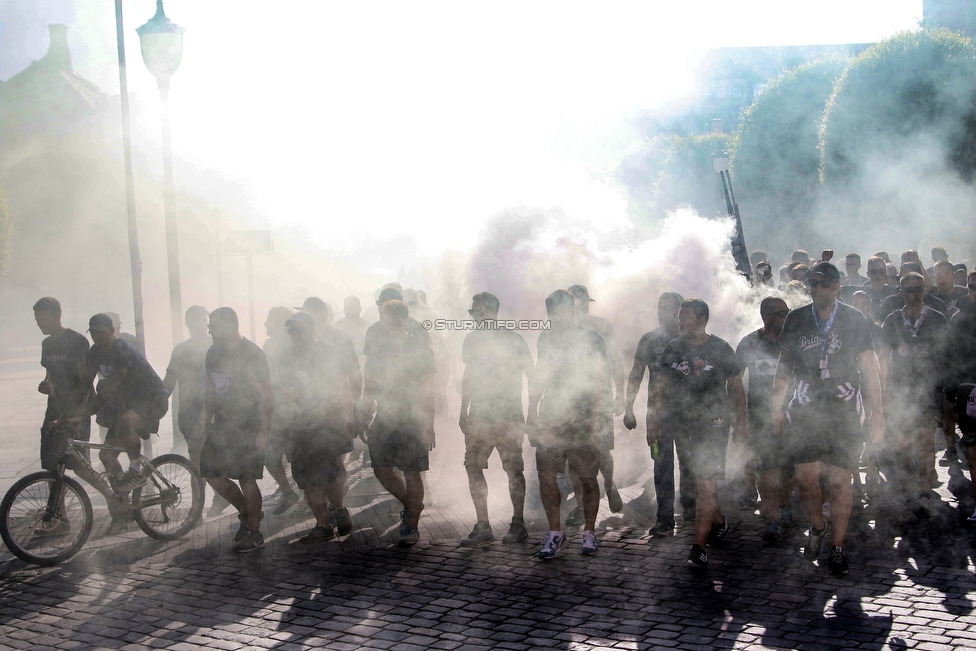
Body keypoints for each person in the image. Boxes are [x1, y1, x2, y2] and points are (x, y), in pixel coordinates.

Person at [771, 261, 885, 576]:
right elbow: (784, 366)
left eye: (823, 284)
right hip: (807, 407)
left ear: (836, 286)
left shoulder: (854, 318)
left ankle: (837, 547)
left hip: (844, 407)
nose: (817, 289)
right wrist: (776, 408)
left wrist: (878, 415)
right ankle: (818, 527)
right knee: (806, 479)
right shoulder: (796, 319)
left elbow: (869, 367)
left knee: (840, 481)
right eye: (813, 284)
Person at [648, 299, 747, 569]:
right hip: (682, 424)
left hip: (713, 424)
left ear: (702, 319)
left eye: (685, 316)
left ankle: (698, 547)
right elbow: (660, 387)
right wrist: (654, 421)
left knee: (705, 484)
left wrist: (741, 424)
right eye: (679, 316)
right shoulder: (674, 347)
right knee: (702, 480)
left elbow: (737, 388)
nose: (679, 321)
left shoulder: (720, 348)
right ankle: (718, 521)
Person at [528, 289, 612, 559]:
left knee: (587, 477)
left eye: (561, 310)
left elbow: (602, 380)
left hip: (584, 415)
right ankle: (555, 532)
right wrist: (531, 412)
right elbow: (540, 376)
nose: (555, 316)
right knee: (546, 474)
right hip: (552, 412)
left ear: (572, 311)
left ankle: (589, 532)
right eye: (551, 311)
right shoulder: (546, 338)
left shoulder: (591, 339)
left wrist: (597, 417)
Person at [31, 299, 124, 535]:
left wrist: (78, 415)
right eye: (37, 319)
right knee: (52, 467)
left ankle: (115, 501)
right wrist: (48, 385)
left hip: (76, 410)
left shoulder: (76, 341)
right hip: (53, 410)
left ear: (57, 316)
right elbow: (50, 373)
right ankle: (60, 520)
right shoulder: (46, 344)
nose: (41, 323)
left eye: (44, 318)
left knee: (80, 467)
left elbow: (85, 381)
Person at [457, 292, 535, 547]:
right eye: (472, 313)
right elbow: (468, 376)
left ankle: (518, 522)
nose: (474, 317)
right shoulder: (471, 340)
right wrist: (463, 410)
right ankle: (483, 525)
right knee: (473, 466)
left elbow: (532, 376)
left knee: (513, 469)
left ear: (491, 311)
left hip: (508, 415)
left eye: (477, 312)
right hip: (479, 414)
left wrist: (532, 411)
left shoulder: (514, 340)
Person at [83, 313, 170, 533]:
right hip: (128, 403)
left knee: (125, 422)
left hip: (152, 398)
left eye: (101, 332)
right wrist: (73, 413)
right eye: (93, 333)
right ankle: (124, 507)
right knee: (106, 456)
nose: (97, 337)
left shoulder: (122, 349)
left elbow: (113, 383)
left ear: (112, 331)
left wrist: (97, 399)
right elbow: (84, 384)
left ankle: (136, 471)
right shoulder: (95, 352)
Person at [277, 311, 359, 542]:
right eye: (291, 331)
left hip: (328, 422)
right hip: (300, 425)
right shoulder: (287, 357)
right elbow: (280, 387)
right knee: (306, 476)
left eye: (298, 329)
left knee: (330, 471)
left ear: (311, 329)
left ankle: (340, 509)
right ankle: (323, 525)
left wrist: (348, 416)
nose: (294, 335)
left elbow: (343, 385)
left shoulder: (327, 353)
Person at [200, 307, 274, 553]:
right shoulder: (213, 352)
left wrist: (263, 430)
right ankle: (247, 512)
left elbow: (266, 394)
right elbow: (211, 386)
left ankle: (255, 532)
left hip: (248, 425)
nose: (209, 330)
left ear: (230, 326)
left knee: (247, 478)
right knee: (212, 473)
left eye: (213, 326)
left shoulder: (252, 354)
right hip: (221, 424)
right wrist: (206, 419)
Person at [363, 300, 436, 546]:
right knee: (381, 469)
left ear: (404, 320)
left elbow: (428, 390)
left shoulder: (421, 349)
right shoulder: (377, 349)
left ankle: (411, 525)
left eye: (393, 319)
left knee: (413, 472)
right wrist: (363, 414)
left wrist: (429, 424)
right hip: (385, 416)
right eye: (385, 319)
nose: (388, 324)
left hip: (414, 418)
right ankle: (412, 505)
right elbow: (369, 384)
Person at [878, 272, 948, 516]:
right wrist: (883, 389)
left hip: (927, 390)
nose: (915, 293)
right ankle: (912, 471)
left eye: (919, 288)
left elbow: (944, 354)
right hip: (900, 389)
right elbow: (884, 356)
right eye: (909, 289)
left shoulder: (937, 318)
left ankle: (924, 493)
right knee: (900, 445)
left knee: (926, 444)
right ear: (901, 293)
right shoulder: (892, 320)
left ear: (924, 290)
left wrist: (944, 388)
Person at [623, 292, 693, 536]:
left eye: (669, 308)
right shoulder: (649, 339)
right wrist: (628, 408)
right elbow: (636, 373)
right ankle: (664, 518)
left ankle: (690, 506)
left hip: (689, 414)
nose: (663, 313)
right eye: (659, 308)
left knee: (689, 460)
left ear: (680, 312)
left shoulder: (692, 339)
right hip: (656, 416)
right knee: (660, 464)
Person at [735, 297, 791, 542]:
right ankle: (772, 520)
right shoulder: (749, 343)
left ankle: (785, 504)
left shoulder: (793, 341)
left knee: (789, 469)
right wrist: (740, 416)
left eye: (786, 312)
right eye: (779, 313)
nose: (784, 317)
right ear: (765, 316)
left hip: (792, 414)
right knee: (768, 468)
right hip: (760, 416)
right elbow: (734, 380)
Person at [567, 284, 625, 514]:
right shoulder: (563, 328)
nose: (581, 306)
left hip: (599, 396)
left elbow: (616, 359)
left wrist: (620, 393)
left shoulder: (601, 326)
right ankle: (581, 505)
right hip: (571, 399)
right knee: (572, 454)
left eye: (584, 301)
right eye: (577, 301)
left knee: (601, 448)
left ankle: (609, 486)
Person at [262, 306, 302, 516]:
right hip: (274, 409)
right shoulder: (268, 345)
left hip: (292, 410)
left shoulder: (294, 345)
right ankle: (289, 492)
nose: (265, 324)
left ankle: (308, 498)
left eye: (269, 319)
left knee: (298, 457)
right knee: (270, 455)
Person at [163, 306, 211, 470]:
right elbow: (168, 383)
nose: (200, 324)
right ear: (187, 323)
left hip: (216, 412)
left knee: (215, 458)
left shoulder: (217, 345)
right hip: (190, 413)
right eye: (196, 320)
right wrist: (154, 406)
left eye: (203, 320)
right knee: (196, 458)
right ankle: (200, 494)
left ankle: (219, 494)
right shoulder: (181, 350)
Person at [947, 271, 976, 524]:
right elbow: (951, 354)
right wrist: (951, 390)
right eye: (972, 287)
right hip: (968, 389)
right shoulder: (958, 319)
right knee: (974, 452)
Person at [861, 256, 898, 322]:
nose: (877, 275)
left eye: (881, 271)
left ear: (886, 272)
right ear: (868, 274)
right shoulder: (863, 293)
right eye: (873, 271)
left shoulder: (894, 292)